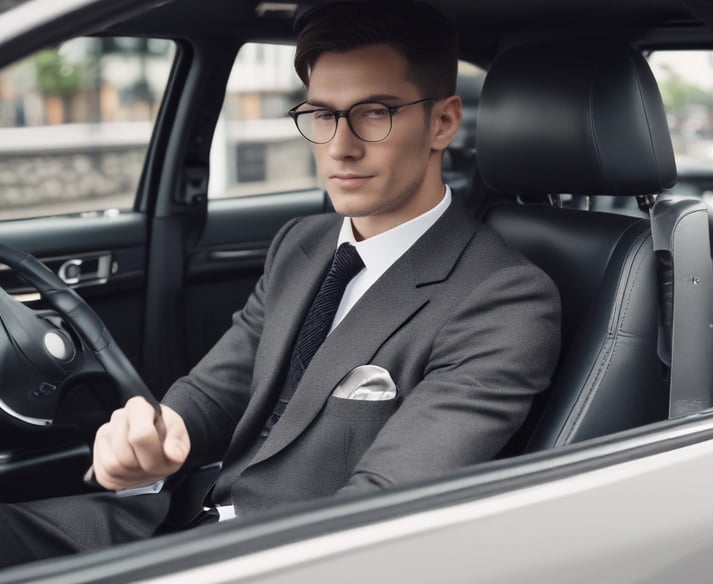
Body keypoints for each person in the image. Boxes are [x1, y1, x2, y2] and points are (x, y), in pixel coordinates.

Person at [0, 0, 560, 566]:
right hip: (171, 515)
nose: (340, 145)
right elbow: (220, 389)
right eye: (322, 114)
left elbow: (382, 511)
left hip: (280, 556)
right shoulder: (302, 243)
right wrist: (159, 433)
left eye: (374, 113)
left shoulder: (505, 299)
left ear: (443, 122)